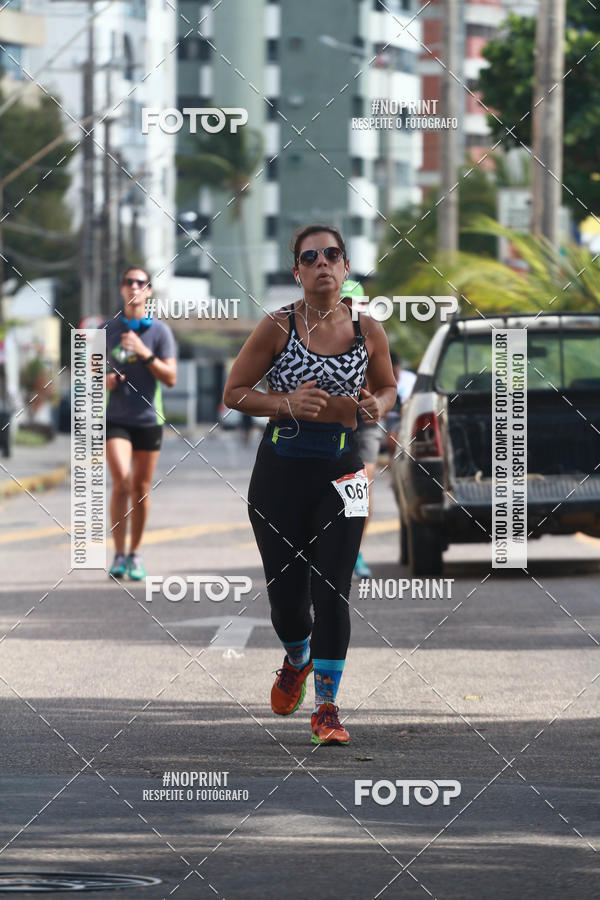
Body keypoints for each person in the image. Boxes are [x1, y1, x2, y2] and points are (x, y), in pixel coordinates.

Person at [223, 225, 397, 745]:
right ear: (297, 271)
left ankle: (327, 707)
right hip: (280, 473)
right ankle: (296, 658)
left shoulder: (370, 330)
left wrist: (379, 406)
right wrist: (284, 403)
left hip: (343, 472)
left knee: (333, 590)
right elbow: (234, 392)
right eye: (310, 257)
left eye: (333, 255)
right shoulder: (278, 327)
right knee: (288, 602)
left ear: (345, 268)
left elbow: (387, 387)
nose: (323, 263)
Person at [104, 267, 177, 580]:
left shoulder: (160, 333)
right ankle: (118, 555)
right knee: (122, 480)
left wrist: (145, 353)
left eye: (140, 283)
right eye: (129, 281)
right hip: (116, 417)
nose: (134, 286)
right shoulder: (107, 330)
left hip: (149, 418)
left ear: (148, 292)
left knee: (141, 488)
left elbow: (171, 377)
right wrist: (103, 380)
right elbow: (88, 377)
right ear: (122, 290)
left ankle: (135, 553)